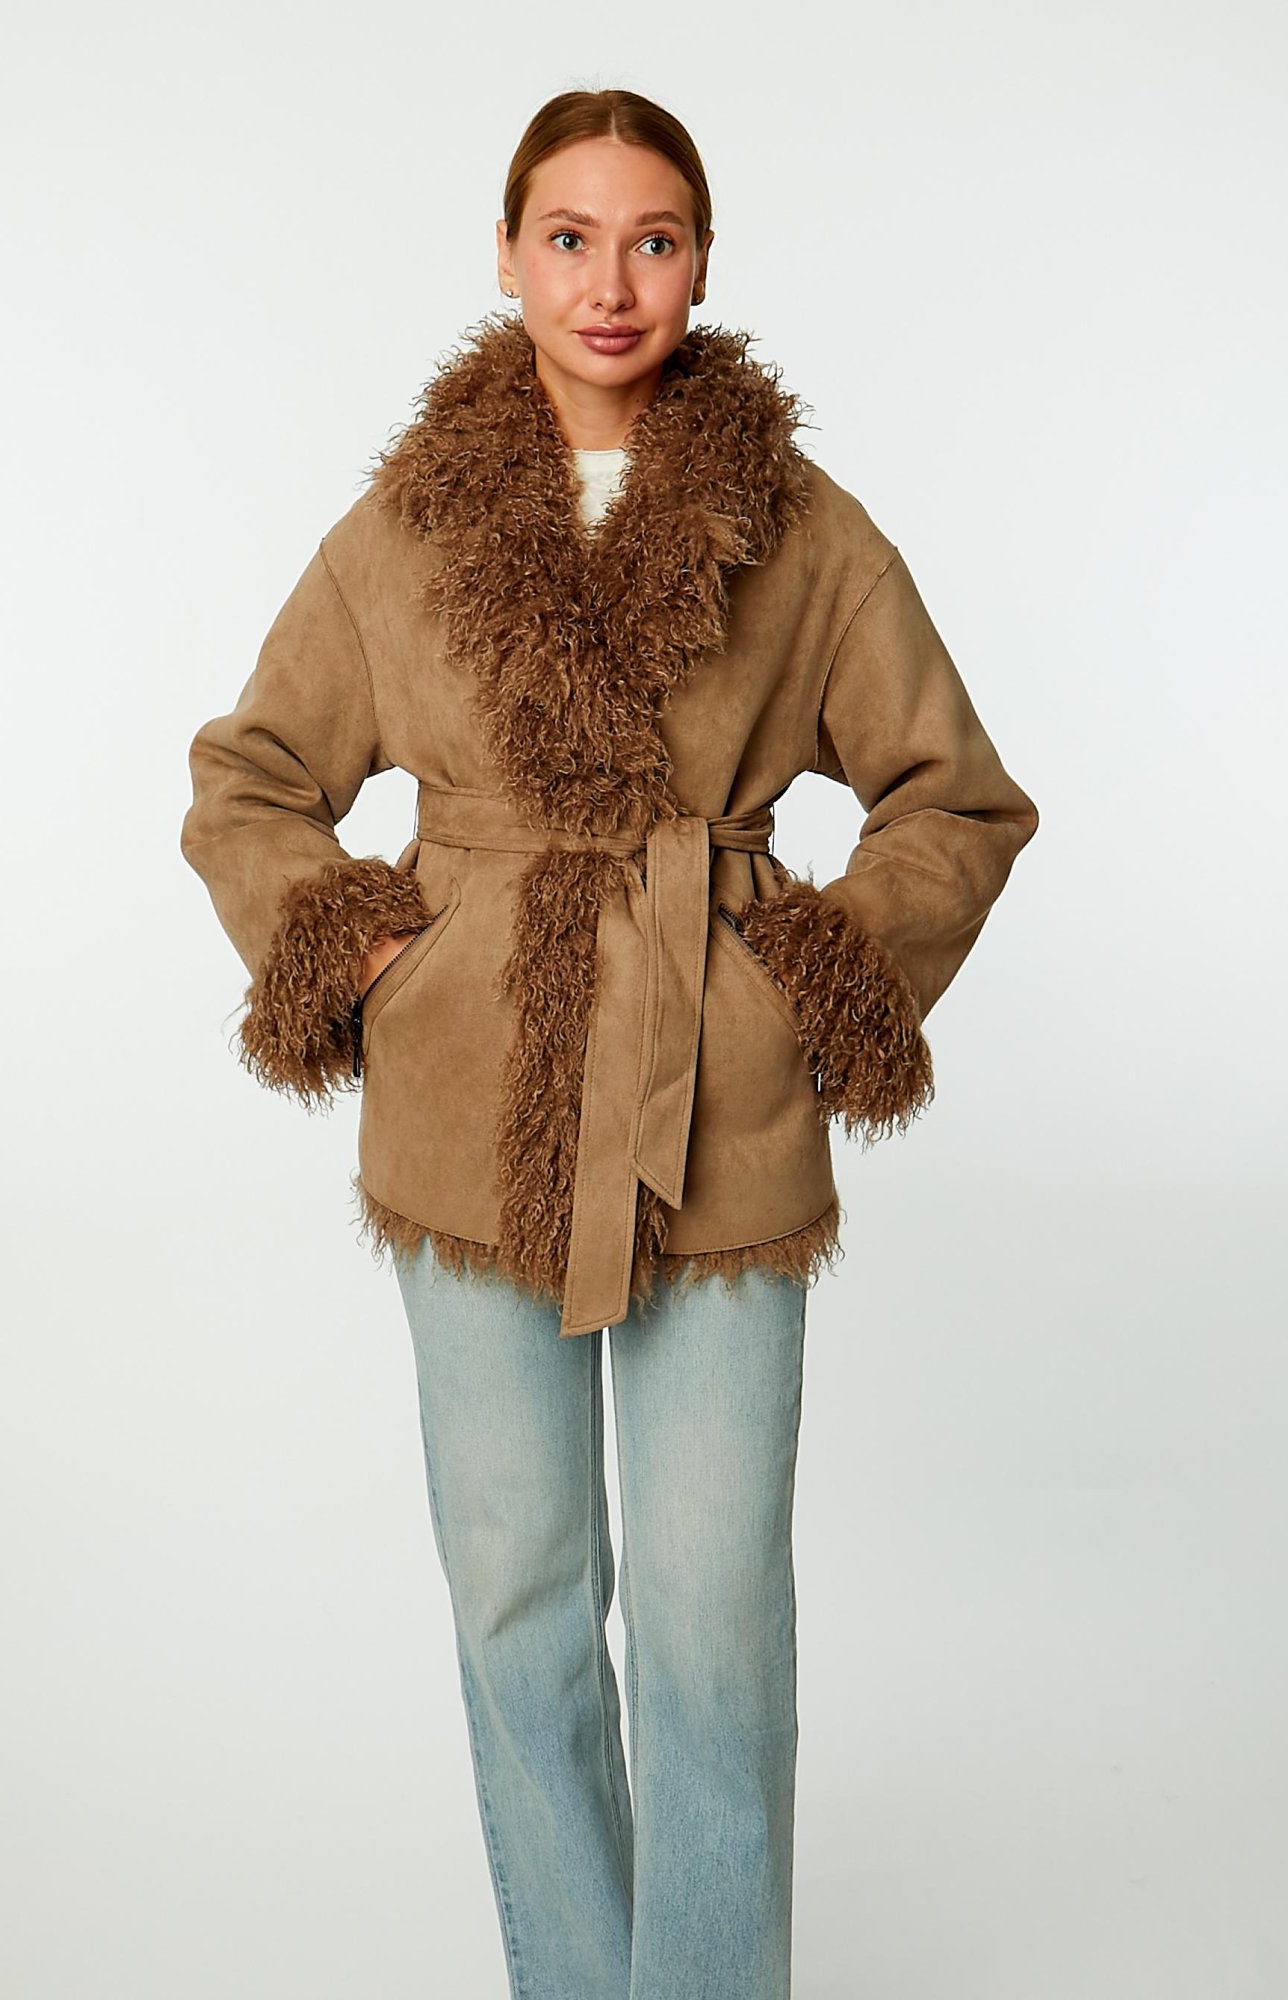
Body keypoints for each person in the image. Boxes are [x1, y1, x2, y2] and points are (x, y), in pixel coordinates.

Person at [180, 86, 1039, 2000]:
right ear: (505, 256)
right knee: (523, 1606)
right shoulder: (408, 526)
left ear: (703, 263)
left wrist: (805, 986)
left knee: (716, 1633)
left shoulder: (798, 527)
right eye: (568, 238)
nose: (610, 283)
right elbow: (250, 776)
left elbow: (954, 798)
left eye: (653, 239)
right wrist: (369, 956)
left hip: (715, 1112)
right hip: (465, 1108)